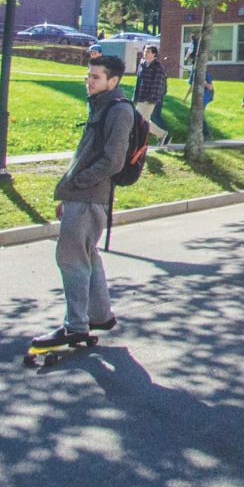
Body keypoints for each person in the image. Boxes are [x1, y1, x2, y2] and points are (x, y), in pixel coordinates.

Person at [37, 53, 133, 349]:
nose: (88, 82)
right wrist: (68, 192)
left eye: (96, 77)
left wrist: (77, 185)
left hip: (90, 197)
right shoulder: (100, 106)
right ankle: (100, 315)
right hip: (80, 196)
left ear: (112, 80)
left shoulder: (118, 111)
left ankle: (76, 326)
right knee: (86, 255)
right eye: (87, 76)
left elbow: (113, 161)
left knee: (71, 259)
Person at [132, 46, 169, 144]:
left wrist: (152, 98)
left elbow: (158, 85)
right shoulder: (142, 64)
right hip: (140, 97)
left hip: (151, 98)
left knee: (143, 121)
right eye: (144, 51)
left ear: (154, 54)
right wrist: (135, 96)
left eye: (148, 51)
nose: (145, 53)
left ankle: (141, 142)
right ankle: (162, 134)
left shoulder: (158, 67)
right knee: (138, 120)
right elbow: (138, 82)